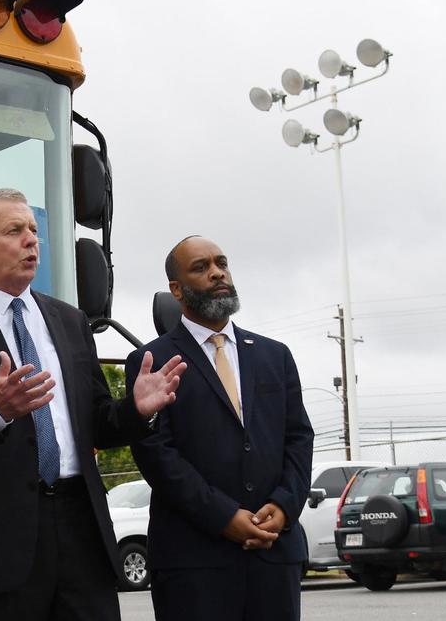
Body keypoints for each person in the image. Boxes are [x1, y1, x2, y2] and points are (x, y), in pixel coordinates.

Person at [0, 188, 186, 621]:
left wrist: (135, 409)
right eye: (14, 231)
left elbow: (96, 421)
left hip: (81, 529)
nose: (31, 241)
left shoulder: (70, 320)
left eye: (34, 231)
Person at [125, 236, 314, 621]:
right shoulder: (151, 361)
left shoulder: (273, 355)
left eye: (221, 263)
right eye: (201, 267)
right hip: (194, 564)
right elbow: (156, 454)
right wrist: (225, 517)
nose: (217, 272)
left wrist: (283, 505)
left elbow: (298, 438)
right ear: (176, 289)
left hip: (273, 555)